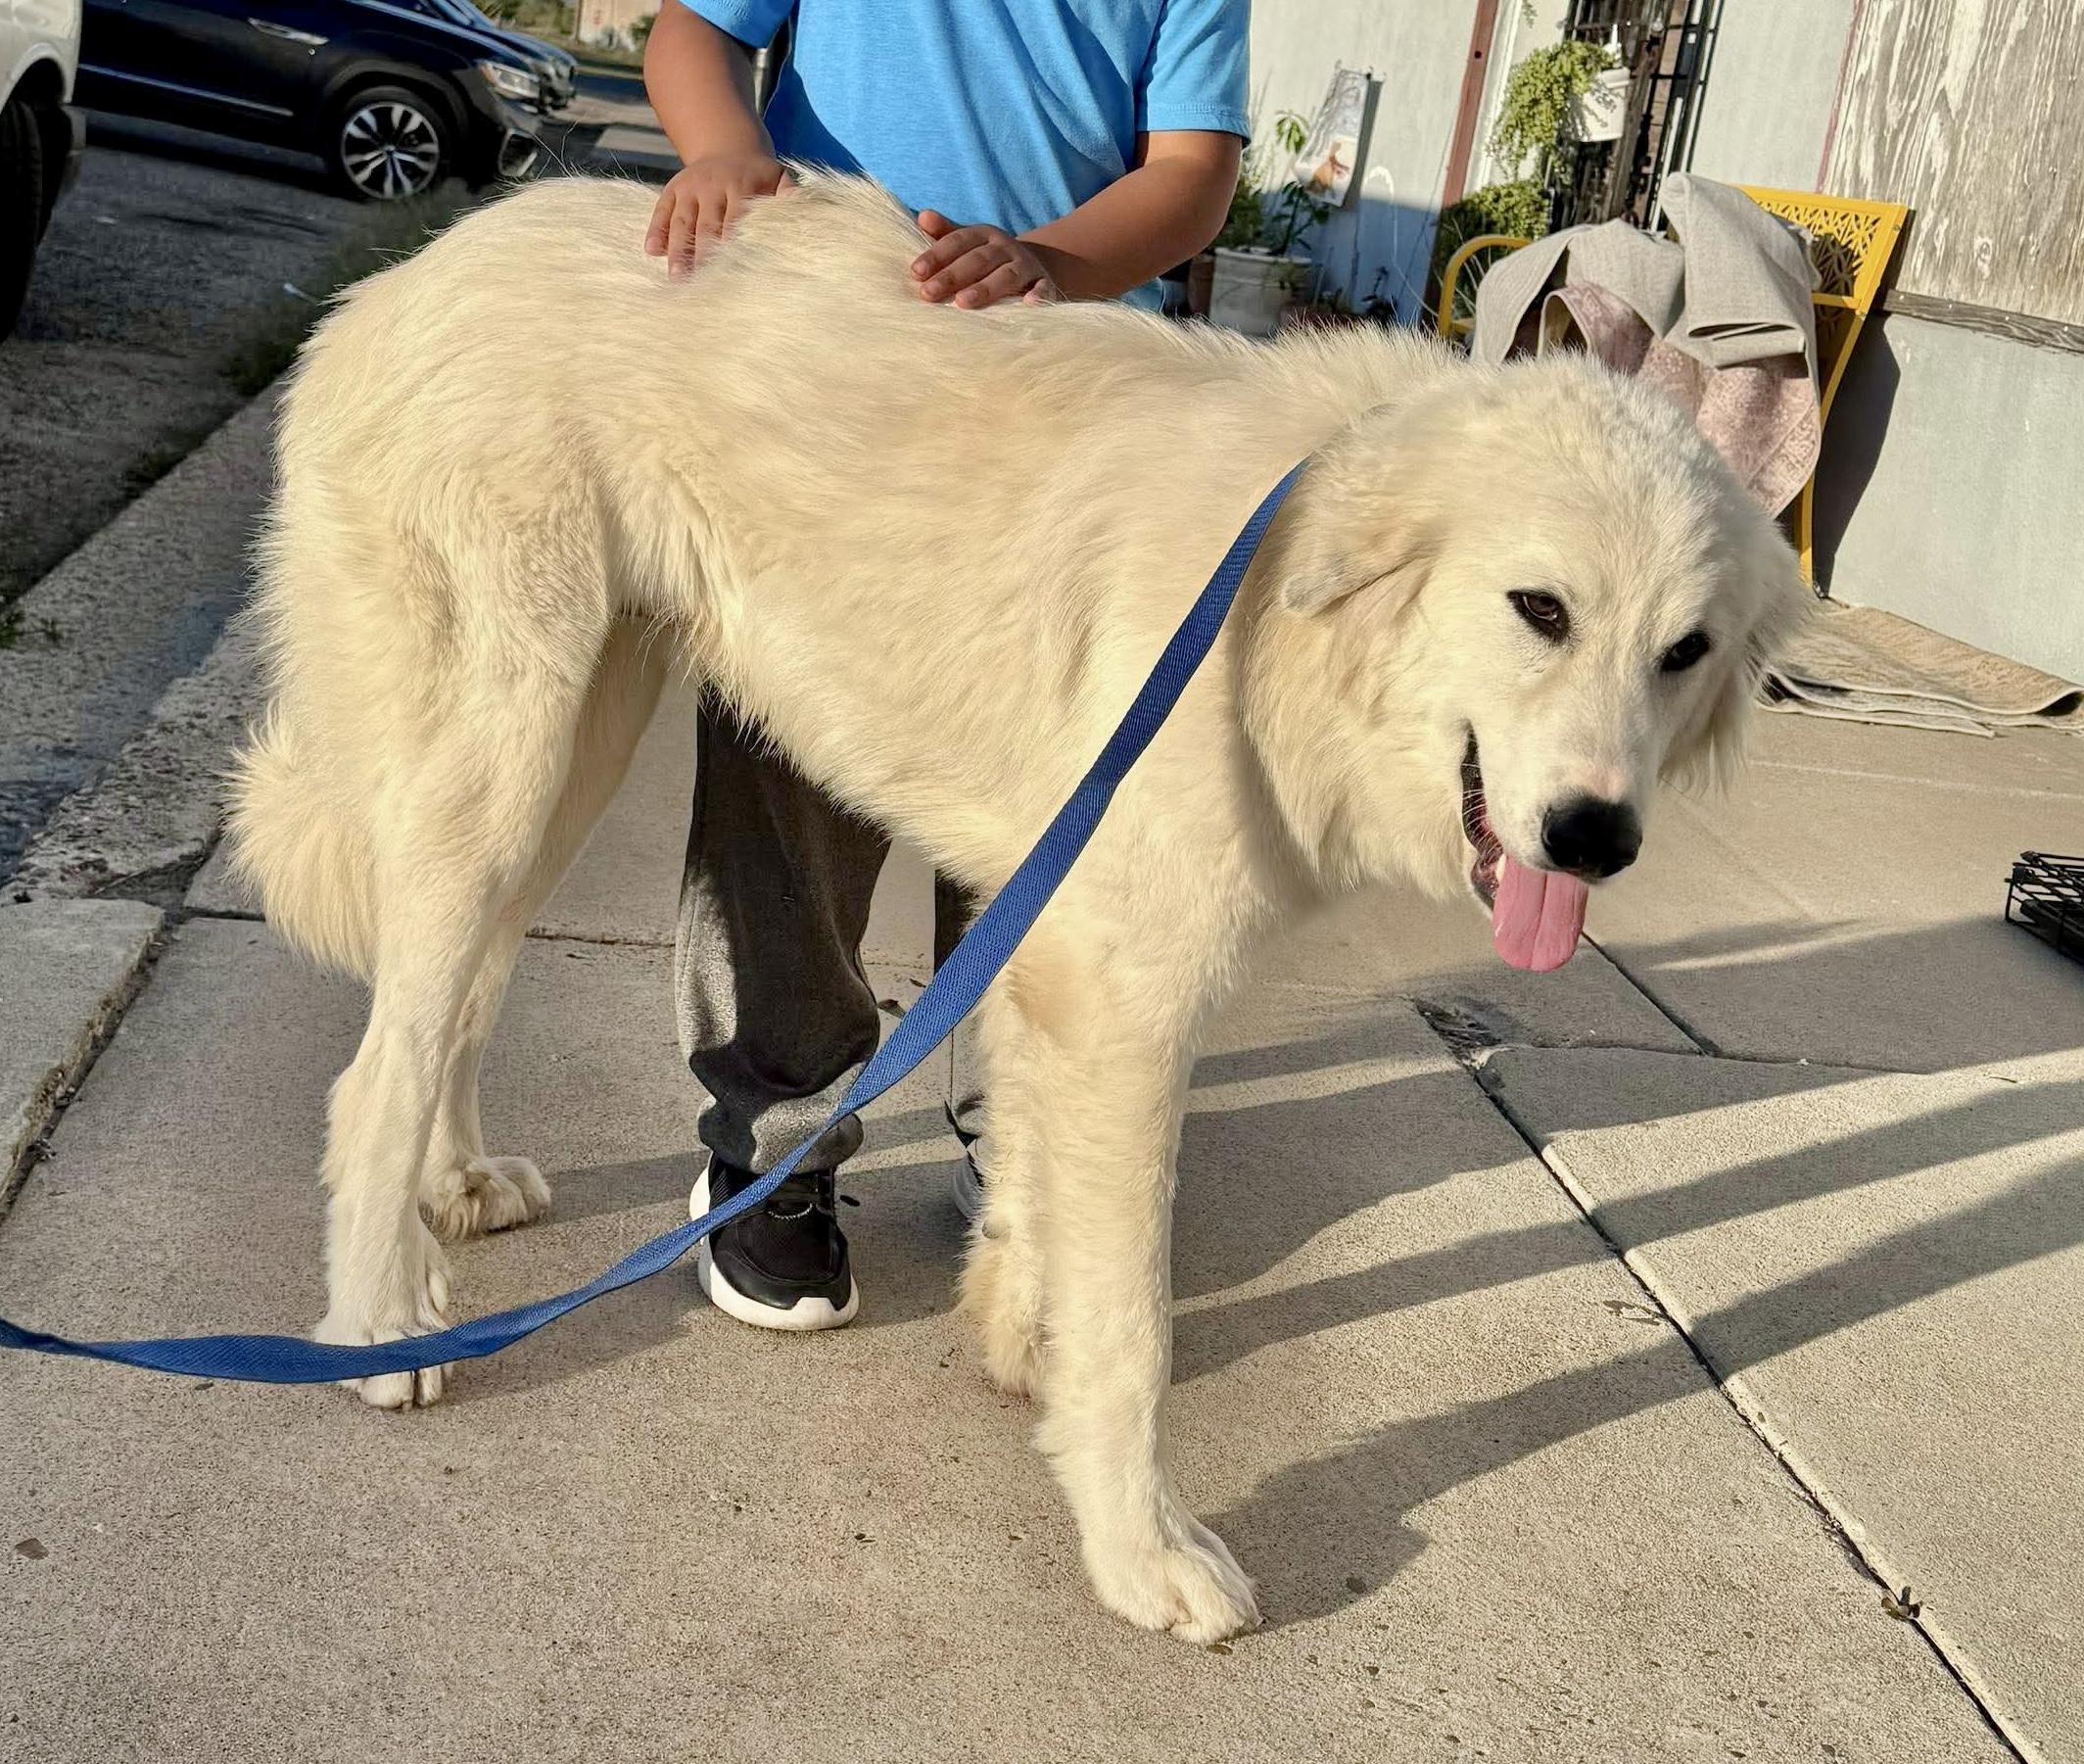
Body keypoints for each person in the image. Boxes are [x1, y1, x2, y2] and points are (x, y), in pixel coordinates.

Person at [641, 0, 1250, 1330]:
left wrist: (1047, 259)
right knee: (792, 781)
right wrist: (723, 147)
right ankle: (774, 1146)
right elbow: (694, 30)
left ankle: (1023, 1134)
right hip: (833, 361)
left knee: (1056, 808)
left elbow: (1192, 171)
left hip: (1076, 397)